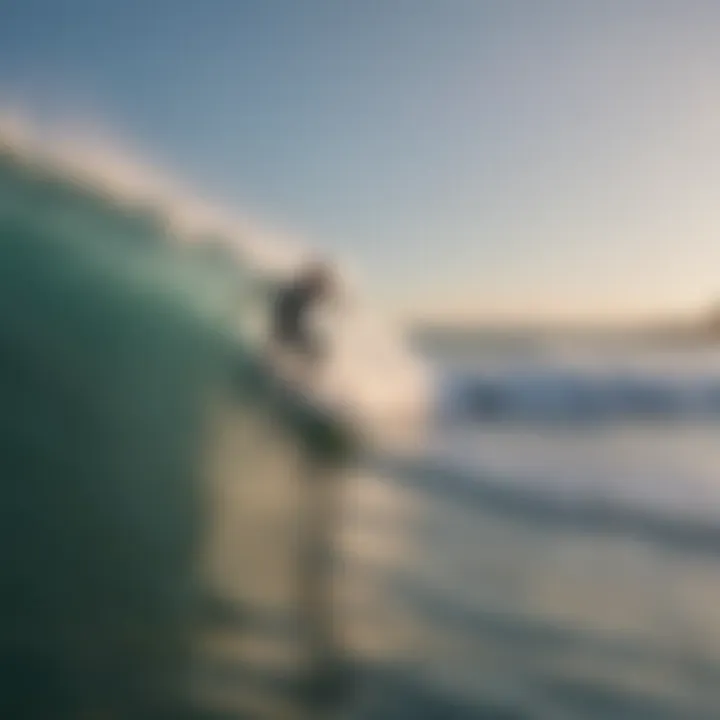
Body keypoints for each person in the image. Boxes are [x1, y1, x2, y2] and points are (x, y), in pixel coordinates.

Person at [270, 260, 335, 371]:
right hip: (287, 331)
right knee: (315, 352)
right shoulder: (294, 295)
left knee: (317, 352)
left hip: (291, 330)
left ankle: (301, 373)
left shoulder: (299, 295)